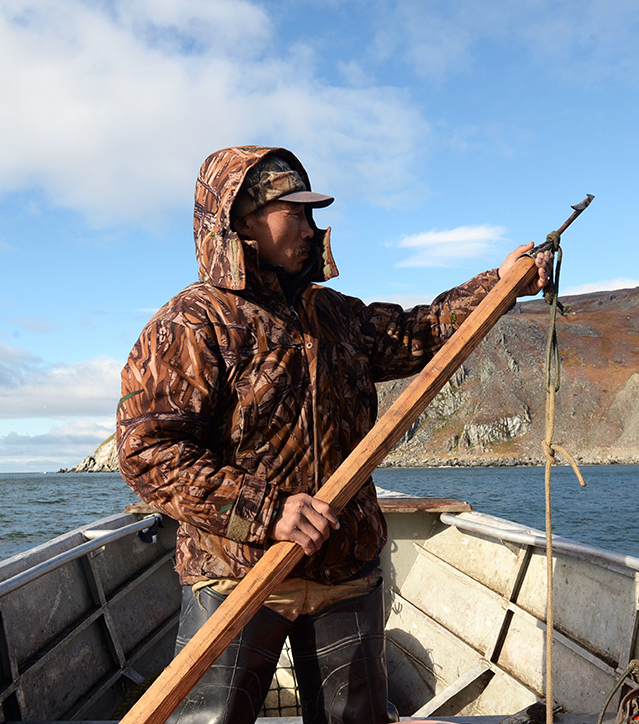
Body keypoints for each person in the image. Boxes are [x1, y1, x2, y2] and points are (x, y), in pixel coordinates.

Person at [116, 146, 551, 724]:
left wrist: (499, 284)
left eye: (311, 211)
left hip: (345, 573)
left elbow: (421, 333)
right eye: (291, 212)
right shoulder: (189, 325)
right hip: (237, 575)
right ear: (241, 221)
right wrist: (265, 509)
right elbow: (147, 453)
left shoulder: (338, 316)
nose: (310, 225)